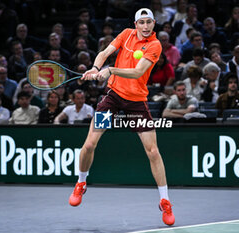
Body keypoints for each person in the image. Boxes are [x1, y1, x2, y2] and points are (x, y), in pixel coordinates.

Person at [68, 8, 175, 226]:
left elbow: (137, 72)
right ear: (135, 24)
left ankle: (165, 201)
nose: (145, 27)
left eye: (149, 22)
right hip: (113, 98)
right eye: (141, 22)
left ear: (154, 23)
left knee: (153, 151)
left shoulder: (155, 45)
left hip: (136, 102)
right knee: (89, 145)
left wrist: (110, 71)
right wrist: (96, 67)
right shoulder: (125, 34)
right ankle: (81, 183)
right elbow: (105, 52)